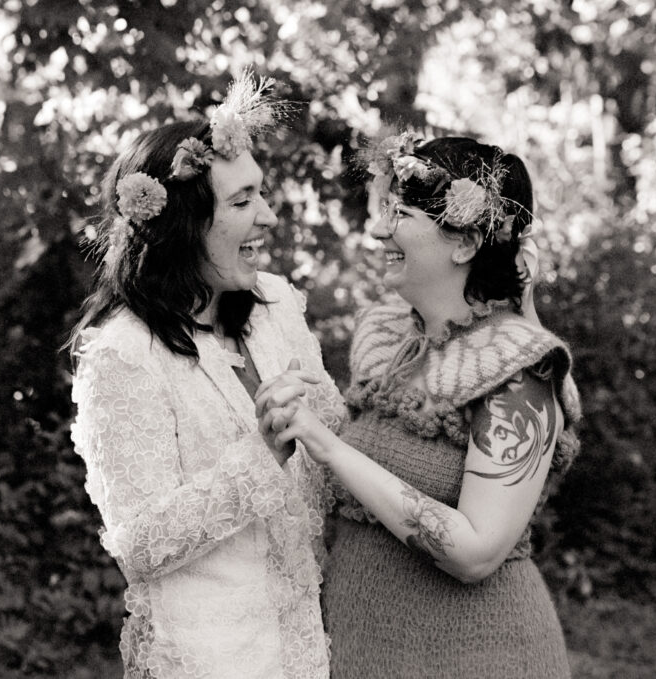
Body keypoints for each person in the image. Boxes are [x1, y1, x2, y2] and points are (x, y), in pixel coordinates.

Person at [257, 134, 582, 678]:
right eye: (385, 210)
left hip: (477, 657)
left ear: (464, 243)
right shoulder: (384, 335)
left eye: (400, 213)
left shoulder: (523, 370)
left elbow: (475, 552)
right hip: (362, 648)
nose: (379, 228)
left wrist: (327, 444)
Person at [68, 74, 344, 678]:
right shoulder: (123, 356)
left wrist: (324, 413)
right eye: (242, 202)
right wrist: (261, 455)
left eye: (262, 196)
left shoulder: (275, 305)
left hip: (314, 647)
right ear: (183, 225)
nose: (268, 217)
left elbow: (333, 439)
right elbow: (139, 544)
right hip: (209, 659)